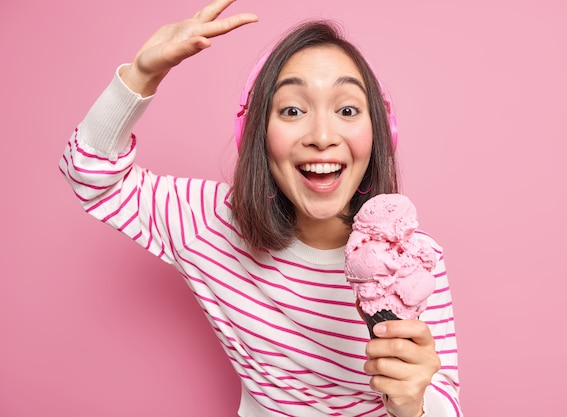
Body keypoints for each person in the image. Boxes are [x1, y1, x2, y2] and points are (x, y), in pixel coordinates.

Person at [59, 1, 462, 416]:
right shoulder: (209, 223)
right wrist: (142, 74)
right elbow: (88, 173)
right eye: (292, 110)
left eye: (346, 110)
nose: (322, 136)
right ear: (254, 132)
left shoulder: (411, 258)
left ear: (381, 133)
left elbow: (445, 400)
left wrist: (411, 402)